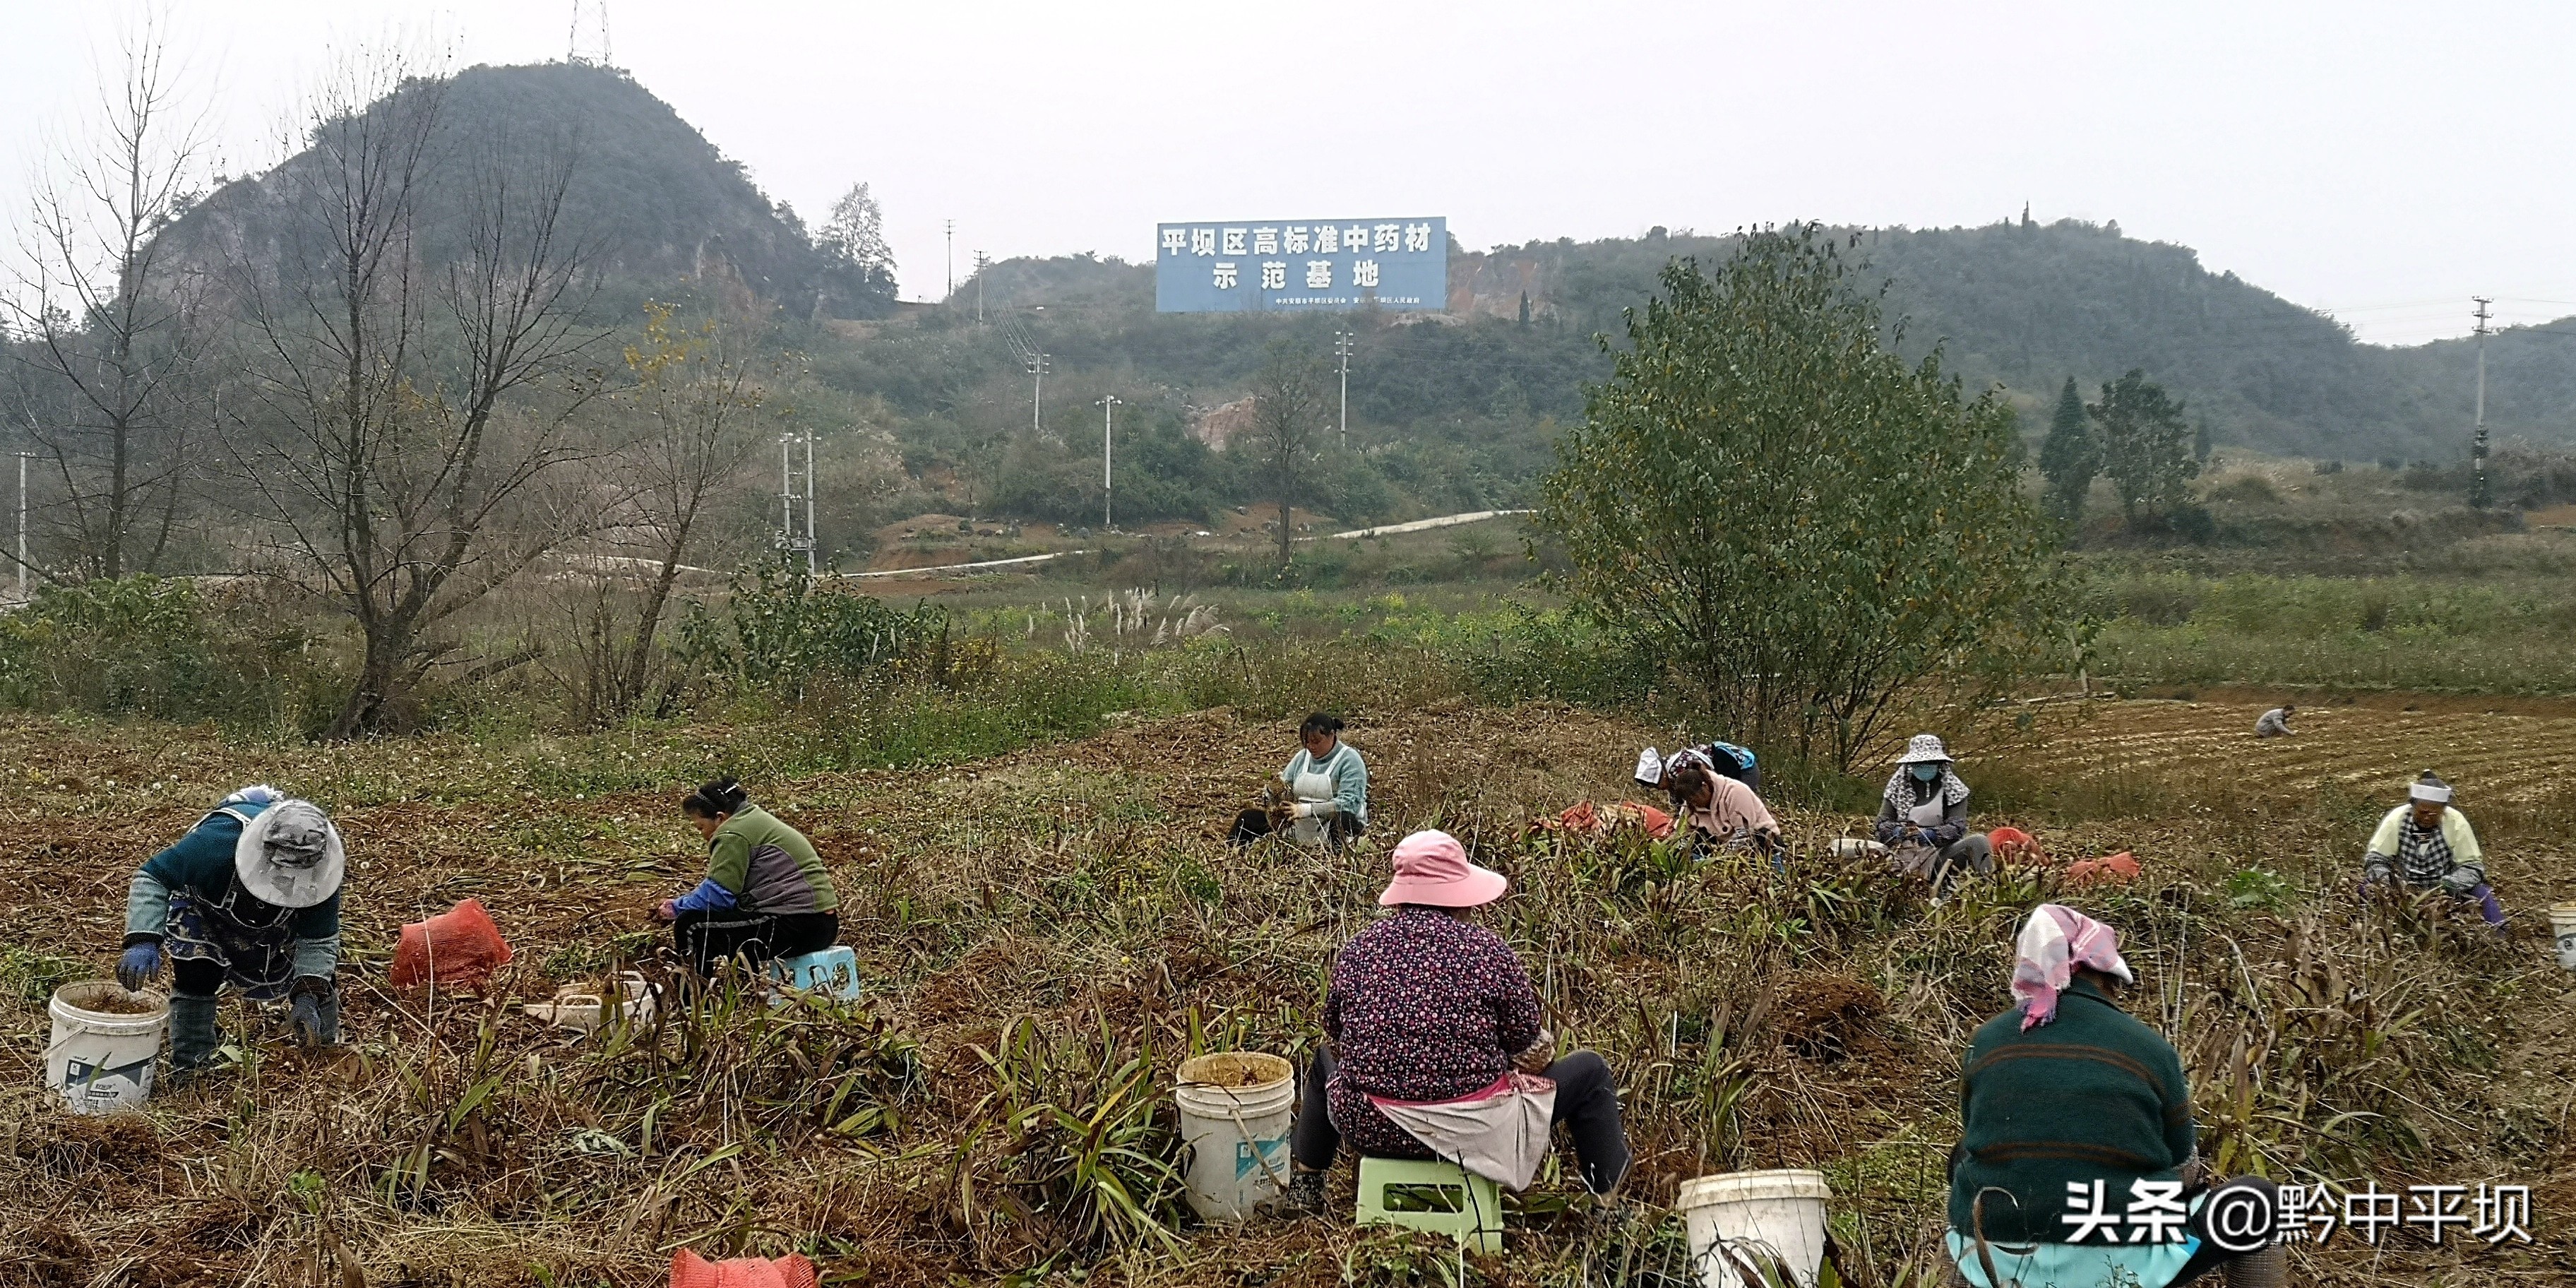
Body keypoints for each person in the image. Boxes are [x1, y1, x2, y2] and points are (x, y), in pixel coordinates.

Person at [1268, 830, 1630, 1215]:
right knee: (1589, 1071)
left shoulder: (1360, 948)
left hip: (1371, 1128)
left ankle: (1306, 1186)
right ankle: (1609, 1208)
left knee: (1325, 1061)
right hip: (1474, 1135)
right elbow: (1532, 1054)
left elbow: (1338, 1031)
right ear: (1459, 899)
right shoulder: (1490, 952)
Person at [1945, 905, 2288, 1288]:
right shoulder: (2148, 1047)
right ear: (2106, 973)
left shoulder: (1985, 1042)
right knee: (2258, 1201)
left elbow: (1974, 1139)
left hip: (1997, 1261)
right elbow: (2183, 1165)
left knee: (1964, 1162)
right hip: (2119, 1266)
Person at [116, 785, 346, 1075]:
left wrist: (307, 994)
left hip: (277, 924)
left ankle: (323, 1060)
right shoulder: (216, 845)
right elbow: (154, 876)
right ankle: (192, 1069)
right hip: (207, 909)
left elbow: (318, 939)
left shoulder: (323, 875)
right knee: (197, 972)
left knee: (317, 981)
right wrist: (143, 939)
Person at [651, 777, 840, 975]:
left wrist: (676, 908)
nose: (703, 835)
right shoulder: (754, 820)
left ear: (720, 818)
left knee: (692, 926)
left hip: (798, 926)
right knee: (735, 919)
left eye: (701, 827)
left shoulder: (733, 833)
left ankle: (694, 1002)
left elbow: (717, 897)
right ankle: (746, 987)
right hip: (820, 924)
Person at [2361, 771, 2505, 931]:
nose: (2427, 817)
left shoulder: (2456, 822)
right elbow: (2376, 860)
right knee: (2366, 888)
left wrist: (2447, 885)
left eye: (2434, 813)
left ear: (2443, 810)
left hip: (2447, 890)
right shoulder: (2396, 819)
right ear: (2413, 805)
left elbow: (2472, 867)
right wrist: (2394, 885)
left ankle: (2500, 937)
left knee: (2482, 894)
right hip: (2403, 890)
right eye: (2422, 812)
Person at [1231, 712, 1368, 847]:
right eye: (1306, 742)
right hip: (1298, 829)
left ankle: (1340, 863)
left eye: (1316, 741)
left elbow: (1350, 804)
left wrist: (1307, 810)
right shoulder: (1302, 757)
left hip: (1332, 828)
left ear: (1331, 735)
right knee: (1247, 818)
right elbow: (1284, 785)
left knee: (1343, 819)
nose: (1311, 747)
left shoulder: (1350, 760)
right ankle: (1231, 858)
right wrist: (1273, 794)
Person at [1876, 734, 1992, 885]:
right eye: (1920, 763)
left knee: (1979, 842)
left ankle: (1989, 888)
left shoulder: (1953, 790)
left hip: (1938, 854)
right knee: (1847, 849)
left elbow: (1957, 827)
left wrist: (1931, 835)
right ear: (1911, 764)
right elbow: (1881, 823)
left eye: (1930, 762)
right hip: (1898, 854)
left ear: (1939, 763)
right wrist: (1897, 832)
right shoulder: (1897, 788)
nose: (1925, 766)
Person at [1649, 751, 1781, 857]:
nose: (1693, 803)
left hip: (1757, 840)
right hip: (1723, 844)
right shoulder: (1690, 806)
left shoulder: (1735, 792)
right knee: (1694, 841)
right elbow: (1681, 835)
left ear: (1705, 787)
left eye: (1695, 799)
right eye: (1689, 801)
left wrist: (1720, 859)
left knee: (1761, 838)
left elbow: (1744, 834)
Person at [1633, 739, 1759, 793]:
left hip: (1743, 768)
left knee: (1737, 806)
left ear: (1662, 776)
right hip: (1724, 773)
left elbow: (1703, 791)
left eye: (1656, 786)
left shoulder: (1678, 769)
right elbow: (1680, 805)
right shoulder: (1671, 777)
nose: (1659, 789)